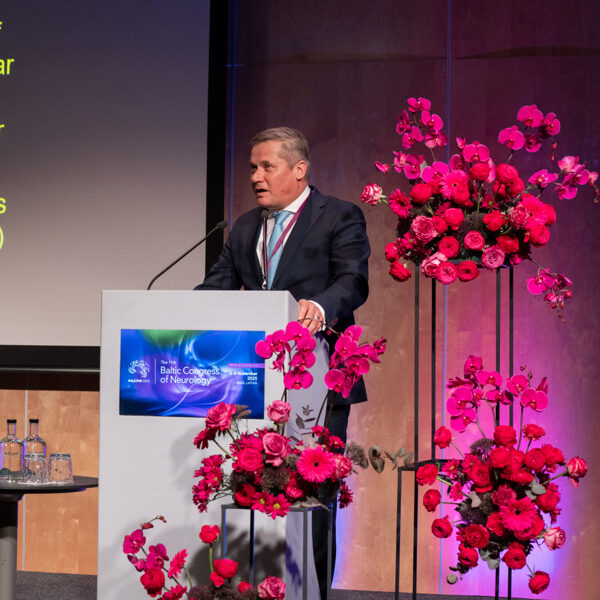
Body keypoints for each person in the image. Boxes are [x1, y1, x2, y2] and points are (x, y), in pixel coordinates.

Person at [196, 126, 370, 598]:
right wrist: (176, 312)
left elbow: (353, 280)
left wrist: (320, 306)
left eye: (266, 166)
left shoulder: (338, 216)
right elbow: (215, 289)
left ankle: (313, 592)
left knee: (313, 493)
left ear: (299, 169)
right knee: (254, 488)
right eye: (252, 167)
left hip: (319, 377)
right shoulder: (244, 227)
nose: (256, 176)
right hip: (253, 383)